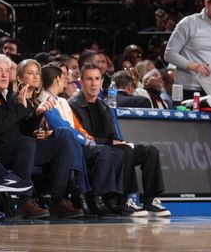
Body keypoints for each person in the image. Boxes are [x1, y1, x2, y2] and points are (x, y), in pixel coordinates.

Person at [69, 63, 170, 217]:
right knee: (124, 151)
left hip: (110, 147)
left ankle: (150, 200)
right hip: (90, 149)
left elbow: (113, 135)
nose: (94, 83)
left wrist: (117, 142)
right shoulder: (74, 105)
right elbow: (81, 137)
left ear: (102, 82)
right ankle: (123, 201)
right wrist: (112, 143)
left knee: (150, 151)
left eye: (97, 79)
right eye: (89, 79)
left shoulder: (103, 106)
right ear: (81, 82)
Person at [0, 54, 80, 218]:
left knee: (62, 143)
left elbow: (22, 128)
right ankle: (24, 201)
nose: (4, 75)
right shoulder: (13, 98)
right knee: (26, 143)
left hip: (20, 149)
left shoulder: (10, 96)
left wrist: (38, 114)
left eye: (6, 71)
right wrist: (20, 107)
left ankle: (58, 200)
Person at [40, 64, 129, 217]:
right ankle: (89, 198)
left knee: (118, 150)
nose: (67, 80)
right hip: (59, 146)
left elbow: (75, 126)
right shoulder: (45, 99)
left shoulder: (62, 101)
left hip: (74, 142)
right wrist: (88, 141)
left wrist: (87, 138)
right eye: (63, 77)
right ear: (57, 79)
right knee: (103, 150)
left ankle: (109, 199)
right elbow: (63, 128)